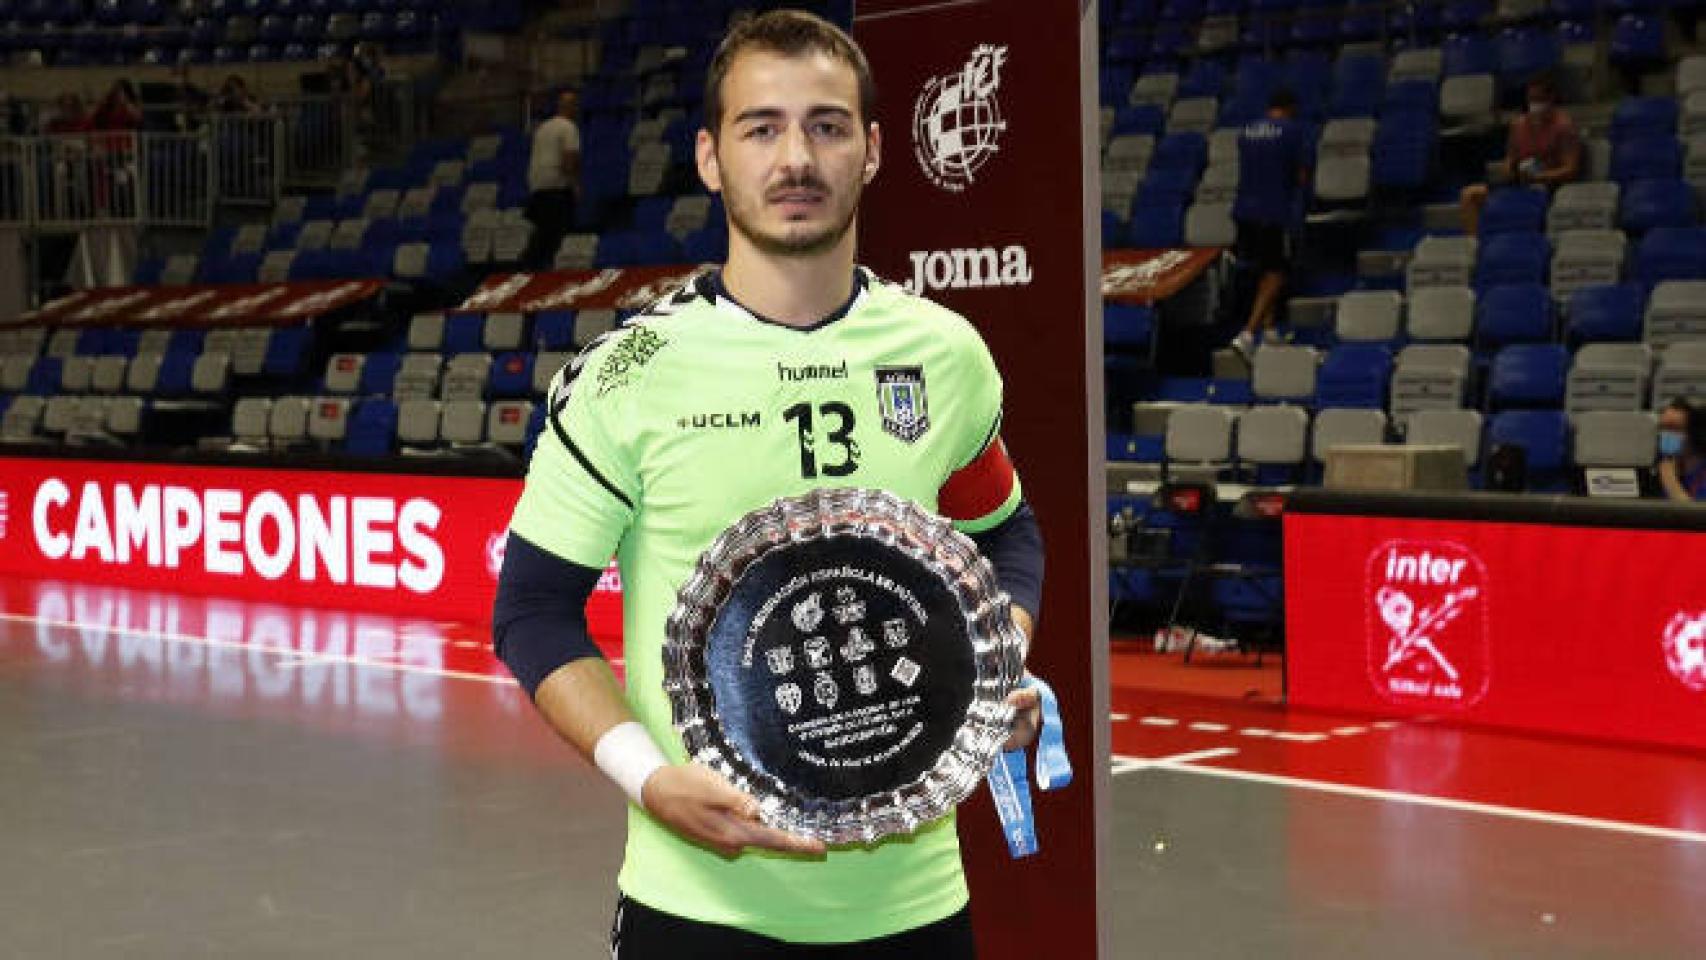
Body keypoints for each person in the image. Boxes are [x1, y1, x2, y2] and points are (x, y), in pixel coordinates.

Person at [492, 10, 1046, 958]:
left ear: (873, 150)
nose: (797, 156)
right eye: (763, 127)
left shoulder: (945, 355)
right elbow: (534, 610)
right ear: (710, 158)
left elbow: (1005, 534)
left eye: (827, 126)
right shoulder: (629, 376)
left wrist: (989, 667)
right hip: (699, 910)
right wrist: (647, 779)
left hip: (915, 911)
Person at [1228, 89, 1309, 357]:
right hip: (1273, 211)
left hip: (1243, 211)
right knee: (1276, 272)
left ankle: (1270, 329)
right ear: (1290, 108)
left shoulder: (1247, 131)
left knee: (1264, 268)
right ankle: (1248, 333)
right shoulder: (1292, 130)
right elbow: (1299, 174)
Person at [1459, 75, 1581, 236]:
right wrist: (1509, 168)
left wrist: (1540, 177)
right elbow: (1510, 157)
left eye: (1539, 99)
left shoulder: (1564, 127)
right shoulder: (1518, 125)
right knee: (1469, 195)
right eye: (1531, 100)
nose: (1534, 105)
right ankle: (1474, 246)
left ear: (1551, 98)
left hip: (1550, 186)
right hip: (1519, 183)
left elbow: (1570, 169)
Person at [521, 88, 582, 270]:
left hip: (538, 187)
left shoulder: (543, 128)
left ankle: (530, 270)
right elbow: (569, 159)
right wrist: (575, 185)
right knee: (557, 236)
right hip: (556, 186)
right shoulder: (569, 128)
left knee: (541, 234)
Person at [1658, 398, 1706, 503]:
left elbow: (1696, 516)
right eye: (1662, 428)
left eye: (1674, 428)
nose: (1665, 435)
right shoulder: (1656, 468)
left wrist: (1669, 477)